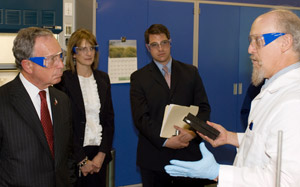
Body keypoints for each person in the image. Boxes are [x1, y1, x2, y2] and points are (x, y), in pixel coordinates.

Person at [165, 9, 300, 186]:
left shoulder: (293, 103)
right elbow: (267, 142)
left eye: (258, 41)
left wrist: (219, 173)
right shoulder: (273, 88)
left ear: (285, 42)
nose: (250, 49)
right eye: (250, 41)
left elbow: (286, 180)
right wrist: (230, 137)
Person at [130, 24, 212, 187]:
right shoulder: (139, 77)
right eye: (155, 44)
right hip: (155, 157)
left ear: (170, 43)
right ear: (148, 47)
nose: (160, 48)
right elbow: (141, 118)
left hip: (189, 155)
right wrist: (165, 141)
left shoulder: (190, 72)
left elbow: (203, 108)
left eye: (164, 43)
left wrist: (192, 133)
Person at [0, 27, 74, 186]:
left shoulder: (62, 100)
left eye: (60, 56)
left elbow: (67, 156)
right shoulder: (3, 102)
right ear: (28, 65)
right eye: (51, 59)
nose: (61, 64)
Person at [54, 28, 114, 187]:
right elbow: (64, 126)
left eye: (92, 48)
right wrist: (81, 160)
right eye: (82, 49)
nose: (88, 53)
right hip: (75, 155)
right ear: (73, 53)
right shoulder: (63, 81)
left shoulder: (103, 79)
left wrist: (102, 154)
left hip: (99, 155)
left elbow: (109, 120)